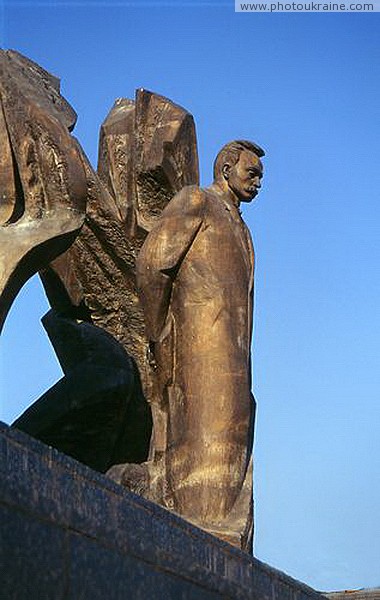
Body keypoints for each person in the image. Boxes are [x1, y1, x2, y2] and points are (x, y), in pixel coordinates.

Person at [136, 140, 264, 551]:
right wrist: (159, 333)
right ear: (226, 168)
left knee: (231, 462)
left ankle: (222, 555)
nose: (258, 182)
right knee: (201, 463)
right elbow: (153, 264)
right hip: (197, 352)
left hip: (235, 362)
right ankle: (194, 548)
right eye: (252, 172)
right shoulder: (196, 202)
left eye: (260, 176)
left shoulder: (243, 229)